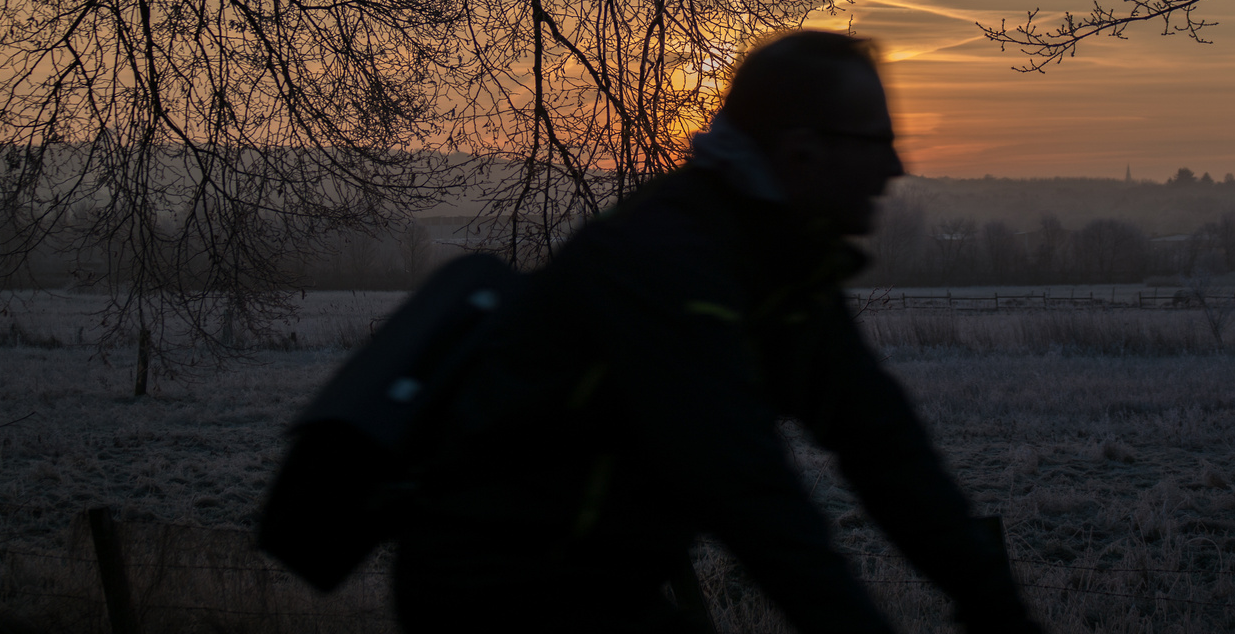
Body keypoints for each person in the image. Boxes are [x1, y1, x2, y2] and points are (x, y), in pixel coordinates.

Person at [395, 31, 1043, 634]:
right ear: (802, 151)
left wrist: (998, 607)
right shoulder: (671, 260)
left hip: (594, 583)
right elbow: (746, 487)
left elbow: (885, 447)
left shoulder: (785, 263)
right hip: (489, 591)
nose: (896, 166)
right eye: (877, 141)